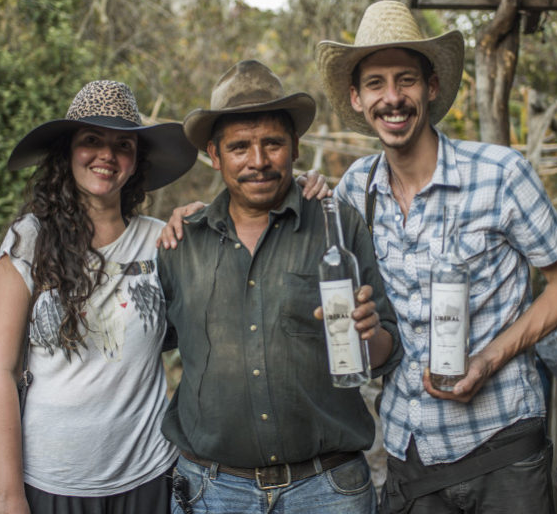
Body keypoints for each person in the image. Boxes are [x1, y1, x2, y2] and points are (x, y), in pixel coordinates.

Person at [314, 0, 557, 513]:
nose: (392, 98)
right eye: (375, 83)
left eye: (406, 80)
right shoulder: (358, 188)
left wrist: (487, 359)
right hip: (407, 449)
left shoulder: (501, 174)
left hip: (500, 446)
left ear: (431, 86)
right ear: (356, 97)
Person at [156, 59, 403, 514]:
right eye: (239, 147)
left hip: (327, 489)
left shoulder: (337, 225)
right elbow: (144, 345)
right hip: (212, 492)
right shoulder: (179, 241)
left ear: (294, 147)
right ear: (214, 155)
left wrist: (371, 336)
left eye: (273, 143)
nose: (258, 161)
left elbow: (385, 350)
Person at [0, 80, 198, 514]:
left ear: (136, 161)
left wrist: (302, 190)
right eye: (91, 140)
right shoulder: (28, 242)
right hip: (53, 480)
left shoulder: (162, 241)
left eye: (123, 144)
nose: (107, 154)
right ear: (68, 152)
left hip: (149, 474)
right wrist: (9, 497)